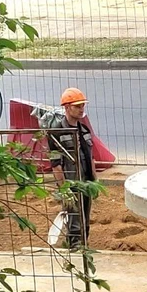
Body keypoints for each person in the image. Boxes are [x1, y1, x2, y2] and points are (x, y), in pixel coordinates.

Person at [46, 88, 96, 249]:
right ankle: (75, 251)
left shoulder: (84, 130)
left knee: (85, 218)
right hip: (71, 183)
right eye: (77, 106)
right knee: (74, 219)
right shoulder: (57, 132)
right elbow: (56, 164)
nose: (82, 109)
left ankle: (84, 248)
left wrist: (94, 181)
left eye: (82, 106)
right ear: (67, 107)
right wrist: (64, 189)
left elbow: (91, 157)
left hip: (86, 182)